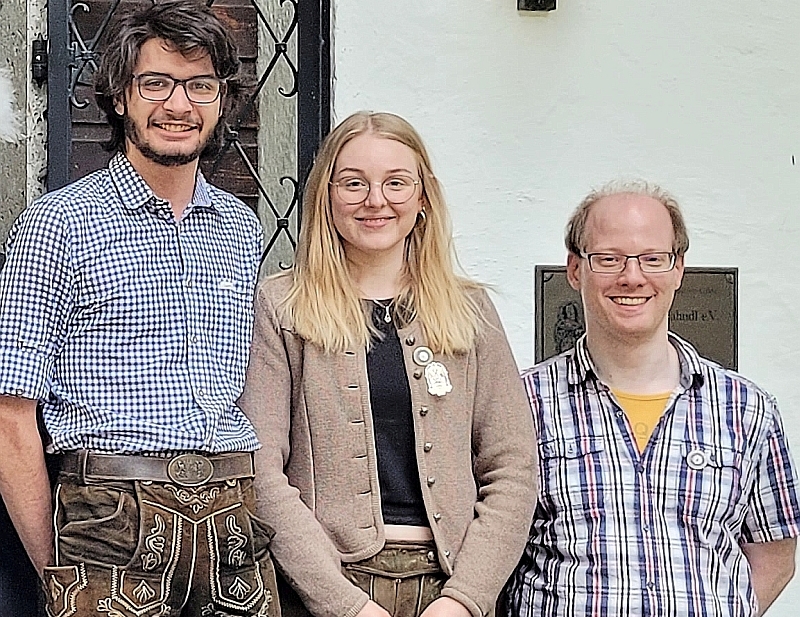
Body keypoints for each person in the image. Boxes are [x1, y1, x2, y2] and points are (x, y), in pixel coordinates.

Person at [0, 2, 279, 615]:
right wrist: (56, 572)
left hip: (232, 519)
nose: (179, 105)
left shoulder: (239, 227)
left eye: (200, 85)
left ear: (221, 101)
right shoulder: (58, 223)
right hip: (109, 519)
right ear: (120, 95)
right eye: (155, 83)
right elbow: (10, 415)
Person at [238, 111, 537, 617]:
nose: (376, 200)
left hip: (447, 586)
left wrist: (464, 598)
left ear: (423, 198)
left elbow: (512, 468)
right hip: (325, 589)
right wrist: (343, 603)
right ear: (326, 196)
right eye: (354, 183)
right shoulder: (283, 306)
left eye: (396, 182)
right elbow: (261, 471)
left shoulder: (469, 311)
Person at [504, 181, 800, 617]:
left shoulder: (747, 408)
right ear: (575, 269)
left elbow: (775, 552)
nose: (632, 277)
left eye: (653, 259)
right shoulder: (519, 403)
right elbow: (486, 546)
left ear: (678, 269)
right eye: (609, 258)